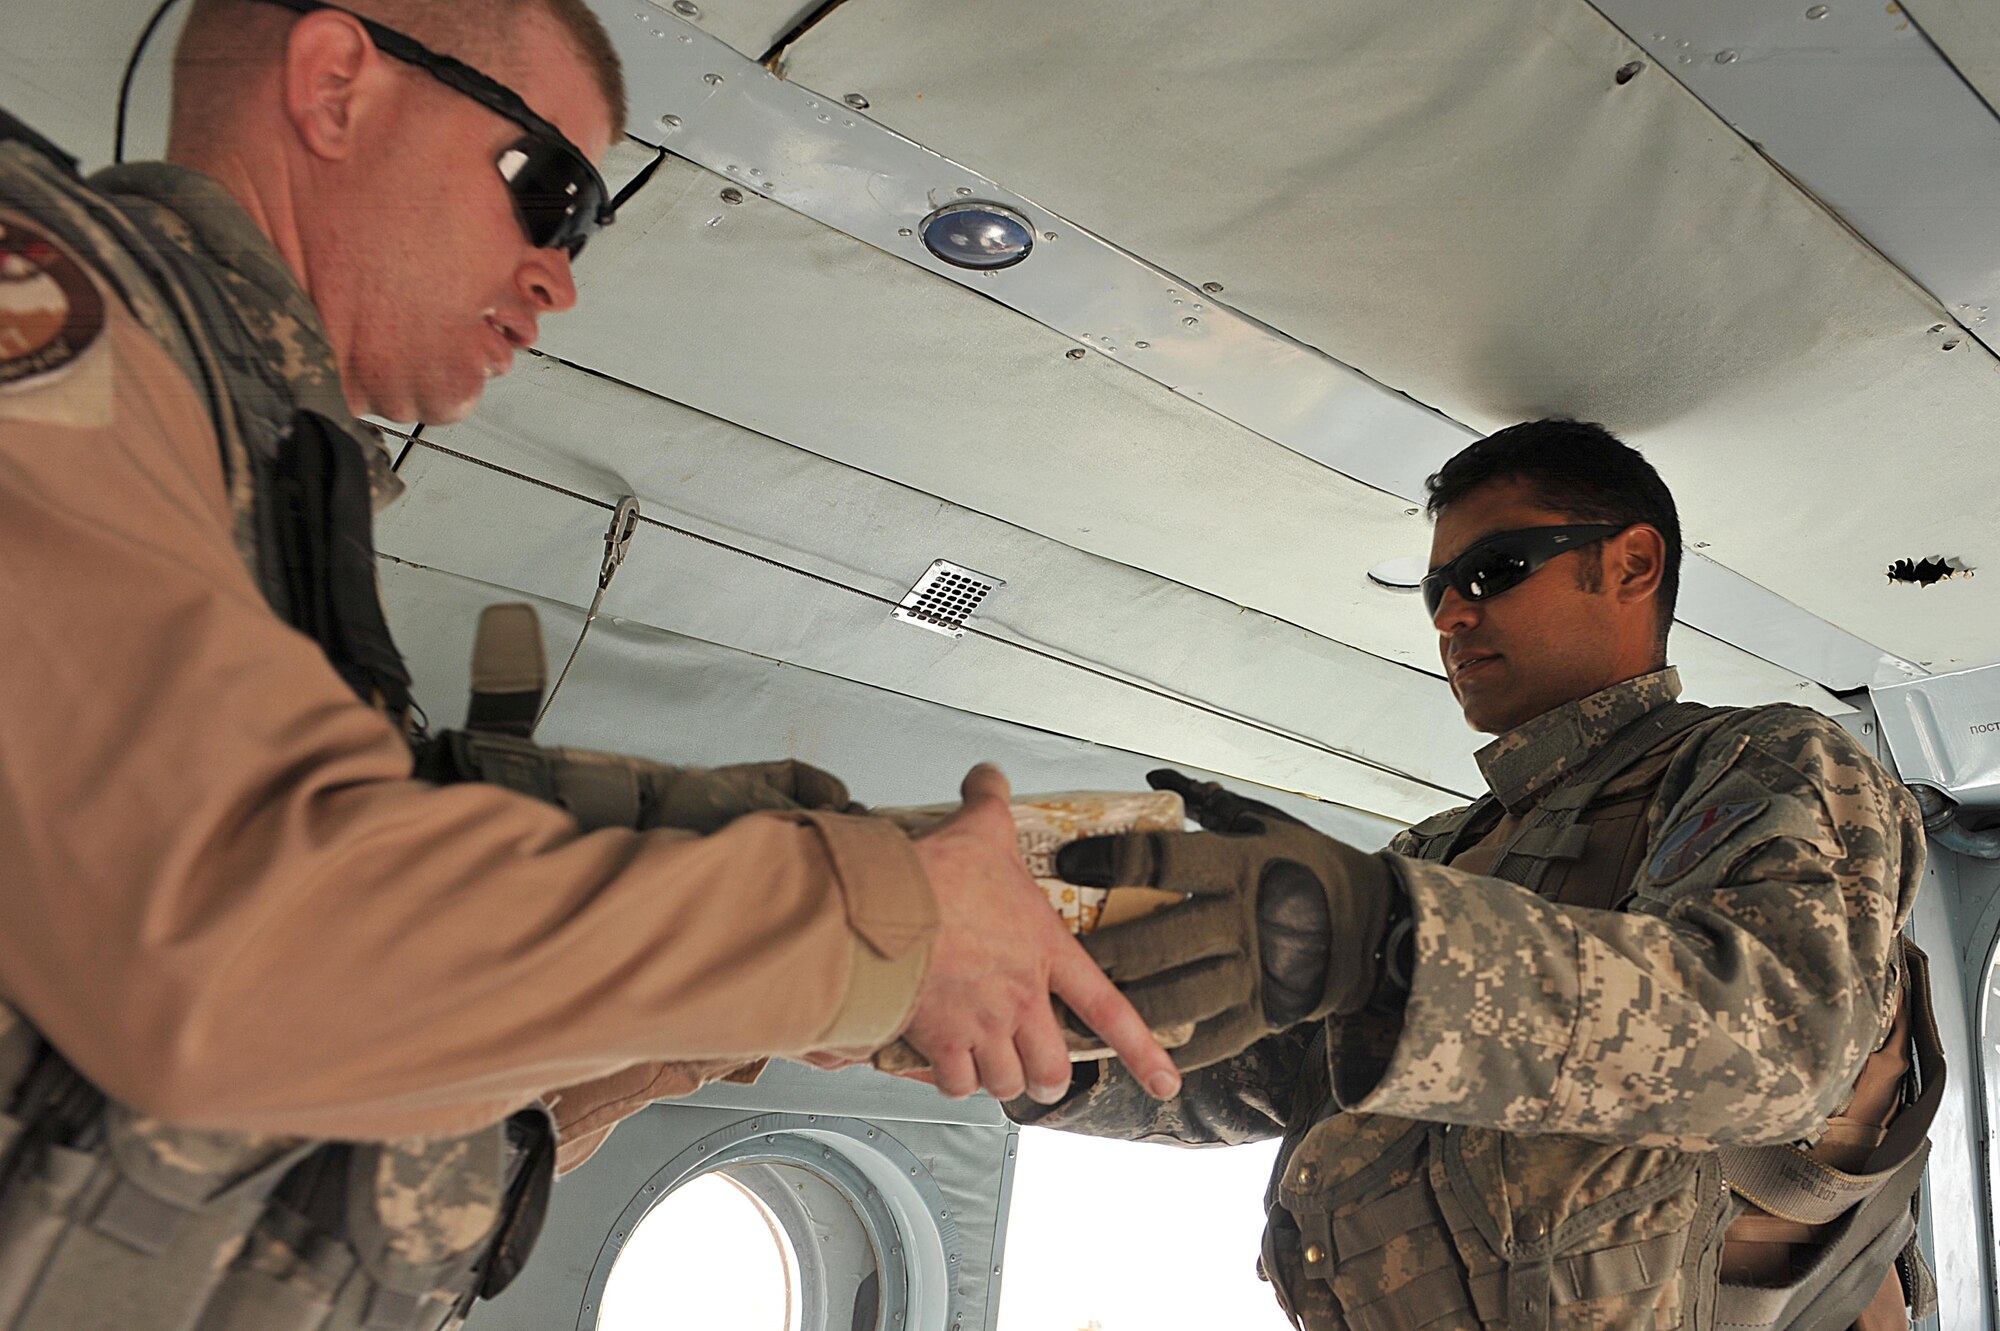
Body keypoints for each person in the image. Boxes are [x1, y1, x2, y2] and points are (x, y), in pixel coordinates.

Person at [0, 0, 1175, 1322]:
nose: (562, 273)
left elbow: (343, 1044)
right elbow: (233, 951)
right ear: (334, 88)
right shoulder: (53, 314)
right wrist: (873, 918)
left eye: (588, 223)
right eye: (548, 190)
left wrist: (736, 978)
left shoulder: (256, 466)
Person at [1016, 420, 1935, 1331]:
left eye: (1493, 570)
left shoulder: (1761, 760)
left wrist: (1381, 942)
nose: (1453, 613)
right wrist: (1041, 1037)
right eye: (1436, 591)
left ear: (1633, 565)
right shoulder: (1435, 855)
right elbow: (1270, 1066)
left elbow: (1772, 1048)